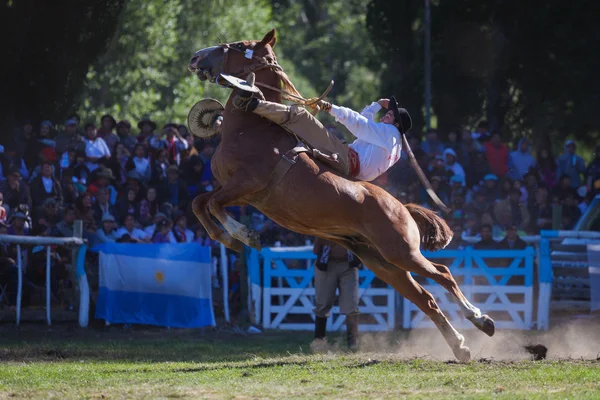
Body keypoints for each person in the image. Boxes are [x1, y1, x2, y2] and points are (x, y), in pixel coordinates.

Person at [232, 74, 412, 182]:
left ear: (396, 124)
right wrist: (376, 105)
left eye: (390, 114)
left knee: (301, 116)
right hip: (352, 167)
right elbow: (365, 124)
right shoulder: (392, 142)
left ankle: (252, 104)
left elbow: (359, 124)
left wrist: (329, 107)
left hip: (347, 159)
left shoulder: (389, 133)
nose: (386, 114)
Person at [311, 237, 361, 351]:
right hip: (327, 264)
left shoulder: (353, 223)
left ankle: (353, 343)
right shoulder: (326, 223)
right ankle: (319, 342)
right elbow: (315, 249)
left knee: (351, 305)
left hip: (349, 265)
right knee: (322, 303)